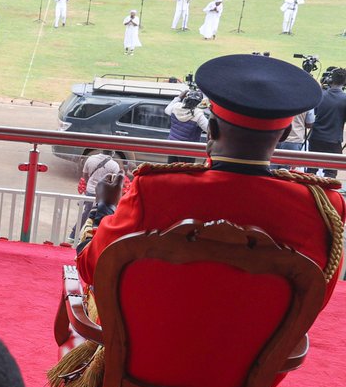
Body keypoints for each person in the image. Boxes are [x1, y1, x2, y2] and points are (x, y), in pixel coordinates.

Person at [78, 54, 345, 287]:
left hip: (151, 343)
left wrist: (104, 208)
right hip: (262, 346)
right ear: (286, 133)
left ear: (212, 129)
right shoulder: (325, 206)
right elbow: (315, 295)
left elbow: (92, 268)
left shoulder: (155, 189)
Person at [308, 67, 346, 178]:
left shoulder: (320, 95)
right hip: (333, 140)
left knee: (310, 170)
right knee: (331, 172)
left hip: (316, 137)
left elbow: (311, 114)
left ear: (331, 79)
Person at [165, 86, 209, 162]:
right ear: (199, 102)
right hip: (187, 149)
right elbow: (209, 129)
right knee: (186, 171)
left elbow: (166, 110)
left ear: (185, 99)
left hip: (172, 145)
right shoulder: (198, 115)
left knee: (171, 168)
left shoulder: (176, 106)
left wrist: (179, 97)